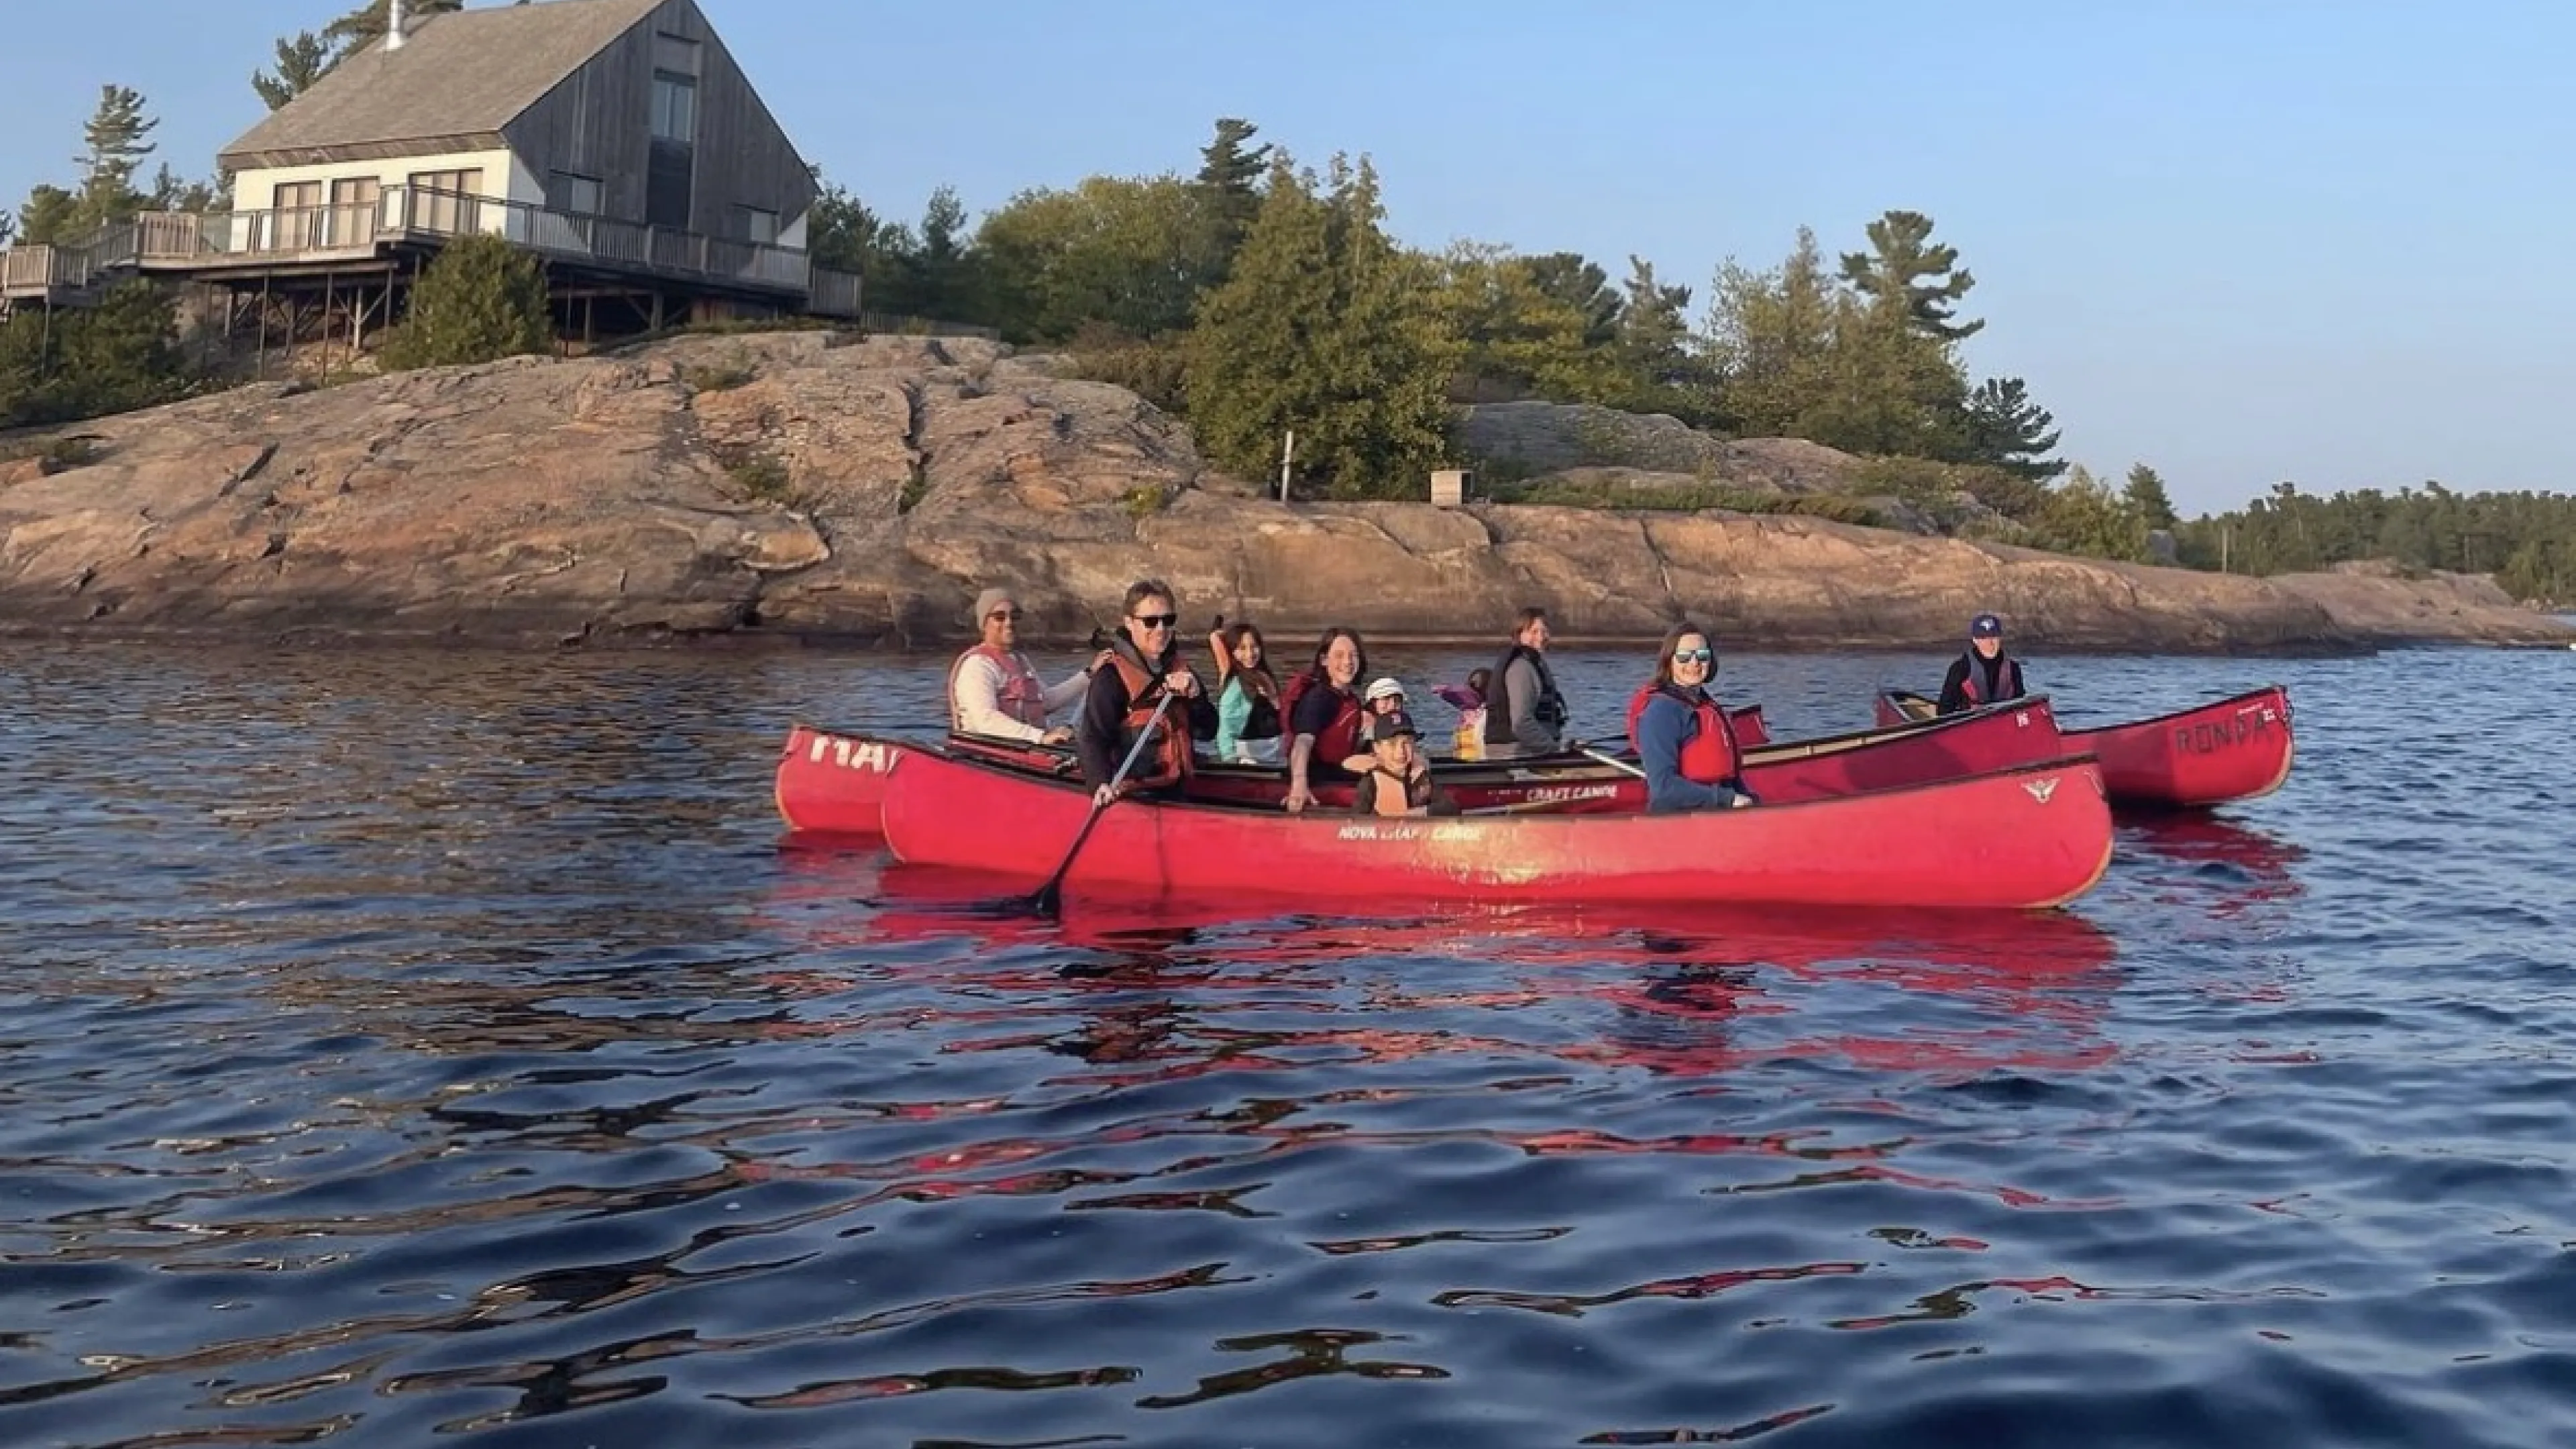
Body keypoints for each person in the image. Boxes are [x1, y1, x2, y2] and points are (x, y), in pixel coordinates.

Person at [1075, 579, 1218, 805]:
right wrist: (1099, 783)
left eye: (1168, 620)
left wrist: (1196, 697)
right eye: (1150, 622)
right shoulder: (1111, 678)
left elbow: (1208, 731)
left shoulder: (1182, 671)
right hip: (1133, 797)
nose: (1161, 630)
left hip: (1177, 793)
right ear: (1130, 623)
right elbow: (1092, 738)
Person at [1627, 623, 1756, 813]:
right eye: (1684, 657)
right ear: (1669, 661)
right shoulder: (1661, 712)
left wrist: (1752, 801)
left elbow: (1731, 780)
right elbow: (1663, 788)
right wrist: (1727, 799)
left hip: (1717, 812)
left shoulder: (1704, 704)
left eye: (1702, 656)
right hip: (1678, 821)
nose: (1694, 663)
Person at [948, 586, 1090, 745]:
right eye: (1000, 617)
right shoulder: (977, 666)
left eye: (1014, 616)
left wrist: (1089, 675)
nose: (1009, 623)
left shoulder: (1020, 660)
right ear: (985, 624)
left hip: (1027, 750)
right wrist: (1040, 737)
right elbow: (985, 721)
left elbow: (1046, 702)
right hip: (989, 754)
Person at [1280, 627, 1367, 814]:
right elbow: (1302, 743)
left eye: (1353, 655)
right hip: (1317, 777)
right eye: (1339, 655)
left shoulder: (1351, 701)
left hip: (1336, 771)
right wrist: (1299, 784)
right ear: (1324, 660)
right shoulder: (1319, 699)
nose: (1348, 662)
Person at [1483, 606, 1570, 757]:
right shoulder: (1521, 668)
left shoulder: (1536, 664)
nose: (1541, 637)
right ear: (1519, 635)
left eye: (1544, 631)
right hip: (1515, 753)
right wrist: (1554, 748)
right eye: (1533, 632)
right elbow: (1521, 722)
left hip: (1530, 749)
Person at [1347, 708, 1459, 818]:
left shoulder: (1421, 776)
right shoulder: (1370, 781)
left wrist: (1423, 812)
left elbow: (1451, 808)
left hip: (1417, 833)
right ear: (1377, 748)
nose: (1401, 751)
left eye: (1408, 742)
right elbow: (1356, 819)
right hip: (1384, 834)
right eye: (1392, 744)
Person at [1207, 617, 1285, 765]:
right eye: (1242, 648)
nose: (1250, 654)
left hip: (1276, 754)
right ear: (1233, 652)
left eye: (1254, 646)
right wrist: (1230, 760)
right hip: (1250, 758)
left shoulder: (1265, 676)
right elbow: (1226, 727)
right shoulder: (1235, 685)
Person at [1937, 612, 2030, 716]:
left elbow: (2022, 706)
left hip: (2004, 724)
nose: (1990, 643)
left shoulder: (2013, 668)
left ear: (2000, 638)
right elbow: (1944, 710)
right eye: (1983, 638)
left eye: (1994, 637)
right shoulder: (1960, 668)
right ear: (1975, 640)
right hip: (1969, 725)